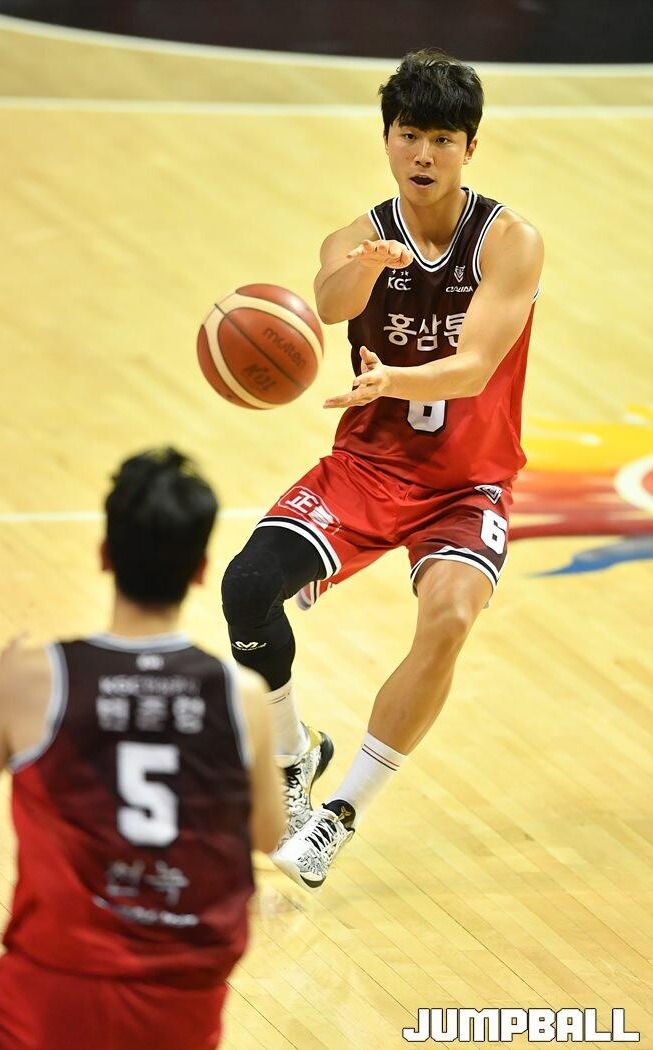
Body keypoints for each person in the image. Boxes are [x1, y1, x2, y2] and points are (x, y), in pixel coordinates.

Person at [221, 49, 543, 891]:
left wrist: (393, 380)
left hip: (467, 482)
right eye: (409, 136)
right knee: (246, 586)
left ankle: (340, 815)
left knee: (450, 616)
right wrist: (365, 266)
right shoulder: (353, 239)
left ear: (470, 147)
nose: (424, 155)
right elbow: (328, 303)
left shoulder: (510, 242)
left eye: (442, 139)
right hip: (368, 466)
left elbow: (473, 368)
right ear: (388, 139)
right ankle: (293, 755)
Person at [0, 448, 284, 1049]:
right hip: (182, 1008)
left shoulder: (35, 677)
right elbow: (267, 835)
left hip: (47, 1000)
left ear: (104, 554)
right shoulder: (242, 697)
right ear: (201, 570)